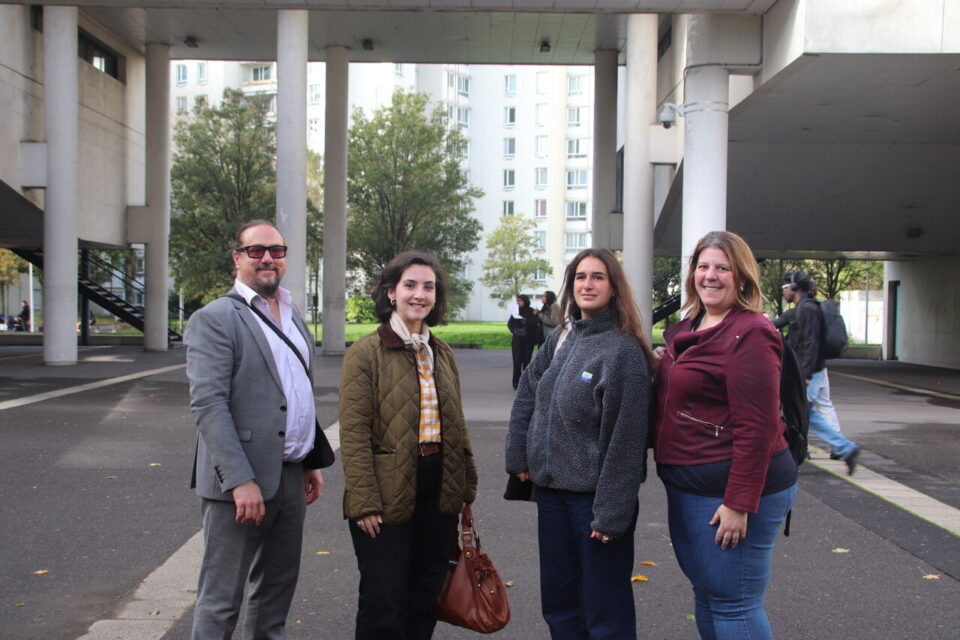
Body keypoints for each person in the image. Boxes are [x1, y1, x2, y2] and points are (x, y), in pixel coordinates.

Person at [184, 219, 333, 639]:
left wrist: (309, 460)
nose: (267, 257)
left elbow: (294, 390)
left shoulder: (291, 312)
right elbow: (209, 405)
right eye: (256, 250)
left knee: (275, 597)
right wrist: (240, 480)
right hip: (240, 483)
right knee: (221, 601)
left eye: (277, 250)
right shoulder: (213, 318)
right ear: (237, 258)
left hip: (289, 475)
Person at [652, 231, 798, 640]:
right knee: (709, 593)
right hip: (689, 485)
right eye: (702, 266)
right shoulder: (690, 328)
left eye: (722, 267)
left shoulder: (751, 333)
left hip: (730, 492)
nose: (710, 276)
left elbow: (759, 427)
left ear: (742, 277)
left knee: (735, 603)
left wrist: (738, 503)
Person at [505, 247, 656, 640]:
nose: (587, 284)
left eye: (598, 277)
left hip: (592, 503)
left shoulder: (622, 352)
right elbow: (528, 392)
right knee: (559, 605)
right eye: (580, 277)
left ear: (614, 287)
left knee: (604, 611)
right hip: (552, 496)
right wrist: (519, 454)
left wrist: (611, 514)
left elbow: (626, 441)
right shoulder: (562, 337)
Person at [339, 251, 478, 640]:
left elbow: (457, 425)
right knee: (385, 601)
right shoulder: (366, 353)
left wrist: (464, 487)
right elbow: (352, 432)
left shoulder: (442, 351)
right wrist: (364, 500)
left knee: (424, 596)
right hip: (385, 491)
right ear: (391, 293)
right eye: (410, 285)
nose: (420, 294)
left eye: (428, 287)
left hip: (438, 489)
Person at [781, 271, 860, 471]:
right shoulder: (803, 309)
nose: (784, 292)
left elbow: (811, 343)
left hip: (810, 373)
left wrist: (805, 375)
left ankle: (844, 448)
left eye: (785, 288)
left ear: (795, 288)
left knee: (800, 413)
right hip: (816, 370)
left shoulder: (806, 310)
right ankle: (844, 448)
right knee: (810, 412)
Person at [508, 294, 538, 389]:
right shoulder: (515, 311)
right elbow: (510, 323)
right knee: (517, 361)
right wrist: (515, 330)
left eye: (520, 301)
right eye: (518, 301)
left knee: (526, 362)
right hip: (517, 339)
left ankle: (526, 383)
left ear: (525, 301)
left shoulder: (531, 311)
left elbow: (535, 324)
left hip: (528, 340)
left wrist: (527, 322)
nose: (518, 302)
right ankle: (516, 383)